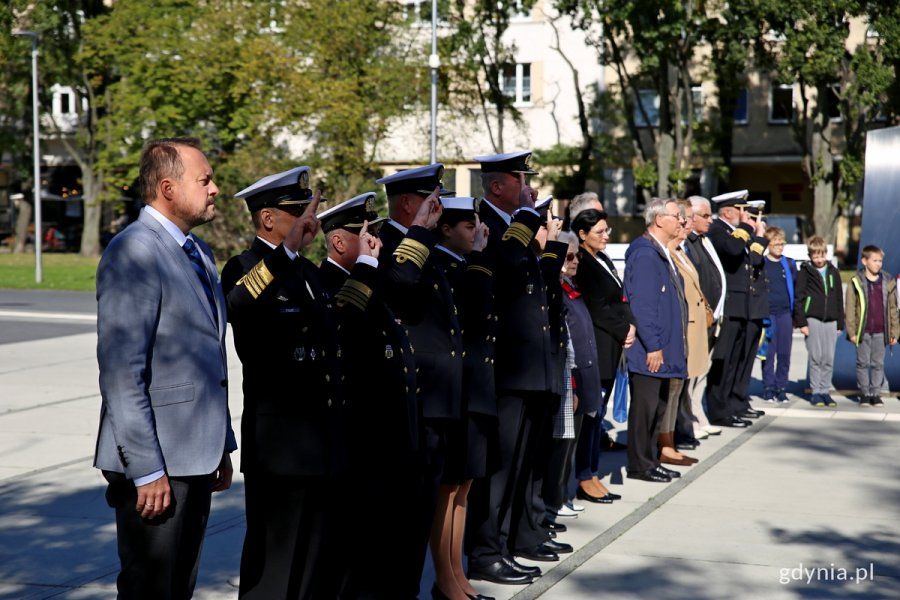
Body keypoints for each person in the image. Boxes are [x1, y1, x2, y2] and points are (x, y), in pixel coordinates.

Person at [94, 137, 237, 599]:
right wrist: (147, 469)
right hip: (157, 465)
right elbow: (121, 373)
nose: (215, 189)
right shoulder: (134, 251)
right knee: (149, 590)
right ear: (169, 188)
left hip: (194, 454)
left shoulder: (199, 253)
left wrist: (221, 445)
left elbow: (205, 356)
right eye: (205, 180)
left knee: (177, 588)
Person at [222, 166, 346, 598]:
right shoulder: (244, 267)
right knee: (274, 562)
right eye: (299, 213)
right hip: (278, 443)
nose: (310, 222)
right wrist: (286, 254)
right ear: (269, 219)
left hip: (319, 439)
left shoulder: (308, 274)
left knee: (314, 557)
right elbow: (237, 304)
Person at [465, 150, 565, 584]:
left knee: (521, 463)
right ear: (496, 186)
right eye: (520, 180)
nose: (528, 188)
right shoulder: (487, 225)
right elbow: (503, 270)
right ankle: (486, 550)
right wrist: (527, 216)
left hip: (526, 367)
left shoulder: (514, 226)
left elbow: (538, 289)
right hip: (503, 368)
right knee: (499, 470)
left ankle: (505, 543)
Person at [316, 192, 422, 598]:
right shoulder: (327, 283)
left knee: (384, 545)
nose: (376, 243)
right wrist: (366, 268)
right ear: (340, 242)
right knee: (353, 554)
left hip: (387, 434)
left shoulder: (370, 280)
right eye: (367, 235)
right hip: (356, 438)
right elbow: (344, 326)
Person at [375, 164, 467, 595]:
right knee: (404, 514)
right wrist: (420, 232)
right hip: (412, 401)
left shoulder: (423, 242)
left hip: (438, 397)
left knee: (422, 508)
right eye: (432, 201)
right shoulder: (385, 241)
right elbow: (401, 284)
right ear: (409, 204)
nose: (440, 208)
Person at [429, 196, 497, 600]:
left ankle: (456, 573)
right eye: (469, 227)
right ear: (446, 230)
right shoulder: (444, 266)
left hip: (473, 386)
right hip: (455, 389)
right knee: (448, 488)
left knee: (464, 485)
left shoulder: (465, 264)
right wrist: (480, 260)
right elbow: (472, 310)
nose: (477, 233)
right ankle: (445, 578)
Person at [570, 209, 635, 497]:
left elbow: (619, 297)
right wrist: (625, 329)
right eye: (600, 232)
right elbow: (598, 307)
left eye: (606, 230)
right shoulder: (582, 263)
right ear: (582, 235)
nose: (606, 235)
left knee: (598, 417)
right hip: (597, 348)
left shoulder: (602, 258)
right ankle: (584, 476)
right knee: (591, 416)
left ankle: (593, 472)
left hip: (613, 347)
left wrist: (630, 325)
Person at [622, 198, 688, 483]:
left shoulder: (660, 252)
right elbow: (643, 306)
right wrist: (654, 345)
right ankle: (640, 464)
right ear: (659, 220)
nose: (682, 221)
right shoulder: (646, 254)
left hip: (661, 347)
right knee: (645, 409)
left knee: (657, 408)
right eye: (677, 216)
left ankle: (650, 460)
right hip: (650, 351)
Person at [705, 190, 768, 428]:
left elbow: (753, 261)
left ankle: (733, 405)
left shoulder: (735, 233)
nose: (746, 215)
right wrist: (747, 229)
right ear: (728, 211)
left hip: (743, 306)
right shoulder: (718, 231)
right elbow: (732, 251)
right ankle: (719, 410)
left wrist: (756, 236)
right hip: (730, 306)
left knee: (737, 361)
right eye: (741, 210)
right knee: (724, 361)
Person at [684, 196, 726, 438]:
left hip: (711, 320)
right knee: (692, 372)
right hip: (696, 320)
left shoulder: (704, 241)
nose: (711, 220)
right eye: (706, 216)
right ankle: (690, 418)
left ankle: (699, 414)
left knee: (703, 372)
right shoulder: (688, 243)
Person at [793, 236, 844, 408]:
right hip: (812, 319)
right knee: (816, 356)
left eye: (821, 256)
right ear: (810, 256)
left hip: (831, 320)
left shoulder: (833, 272)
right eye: (815, 257)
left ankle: (825, 391)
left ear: (826, 254)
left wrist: (839, 322)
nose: (819, 260)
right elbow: (799, 298)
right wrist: (802, 322)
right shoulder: (804, 272)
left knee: (828, 357)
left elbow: (838, 298)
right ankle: (815, 391)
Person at [845, 245, 898, 407]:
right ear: (864, 261)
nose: (878, 264)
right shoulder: (856, 281)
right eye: (874, 261)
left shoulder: (888, 281)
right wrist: (852, 331)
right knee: (862, 362)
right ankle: (864, 393)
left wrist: (894, 331)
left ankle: (875, 393)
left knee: (878, 363)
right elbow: (850, 308)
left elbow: (893, 308)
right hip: (863, 331)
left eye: (880, 261)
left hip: (882, 331)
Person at [761, 226, 797, 403]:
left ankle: (781, 386)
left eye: (782, 244)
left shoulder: (789, 263)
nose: (779, 247)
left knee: (784, 352)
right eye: (776, 244)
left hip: (785, 313)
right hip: (768, 314)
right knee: (769, 353)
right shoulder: (762, 263)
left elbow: (796, 290)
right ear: (768, 245)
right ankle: (768, 386)